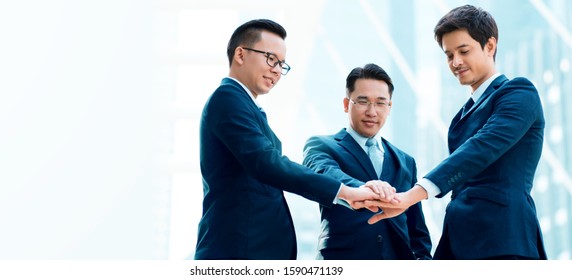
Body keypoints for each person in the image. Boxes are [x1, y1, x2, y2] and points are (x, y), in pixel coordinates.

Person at [195, 19, 393, 260]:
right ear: (240, 54)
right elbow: (266, 163)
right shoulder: (228, 99)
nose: (277, 70)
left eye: (281, 64)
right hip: (238, 250)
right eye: (271, 59)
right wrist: (345, 191)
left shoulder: (245, 105)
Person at [363, 5, 547, 260]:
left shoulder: (519, 93)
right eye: (449, 55)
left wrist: (413, 195)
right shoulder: (460, 116)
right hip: (458, 238)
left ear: (490, 46)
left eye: (464, 51)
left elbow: (481, 148)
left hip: (503, 237)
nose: (455, 62)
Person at [303, 63, 432, 260]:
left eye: (381, 103)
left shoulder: (406, 161)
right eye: (363, 101)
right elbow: (324, 173)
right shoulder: (321, 145)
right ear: (346, 104)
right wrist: (365, 189)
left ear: (389, 107)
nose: (372, 111)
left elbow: (417, 229)